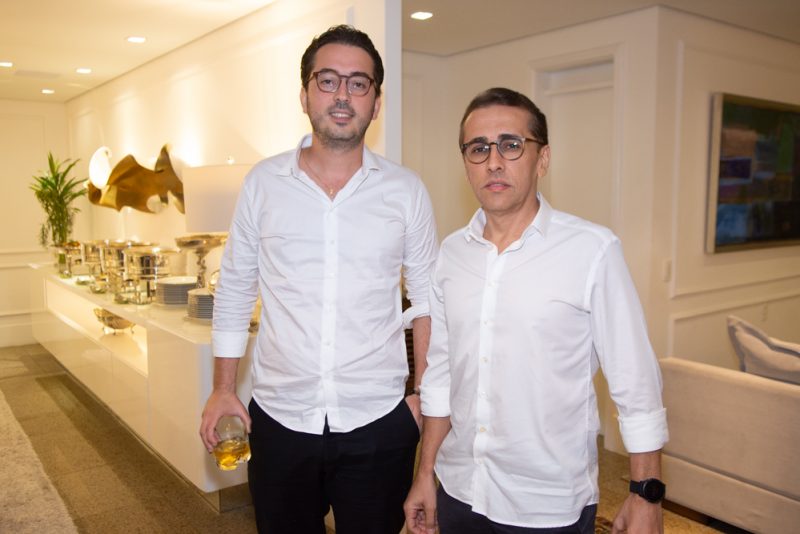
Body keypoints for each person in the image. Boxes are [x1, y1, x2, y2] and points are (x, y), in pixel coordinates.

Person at [199, 25, 438, 534]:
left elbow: (426, 300)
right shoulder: (263, 183)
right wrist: (223, 388)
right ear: (305, 95)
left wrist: (422, 399)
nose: (342, 95)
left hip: (378, 422)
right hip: (280, 419)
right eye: (328, 81)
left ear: (376, 101)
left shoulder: (406, 190)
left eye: (358, 83)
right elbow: (236, 287)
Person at [404, 87, 669, 534]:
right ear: (465, 163)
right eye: (478, 148)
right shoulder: (451, 255)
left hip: (547, 506)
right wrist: (425, 472)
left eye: (511, 145)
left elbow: (635, 381)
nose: (493, 162)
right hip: (459, 490)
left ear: (542, 159)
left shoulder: (592, 250)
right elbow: (442, 376)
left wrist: (646, 495)